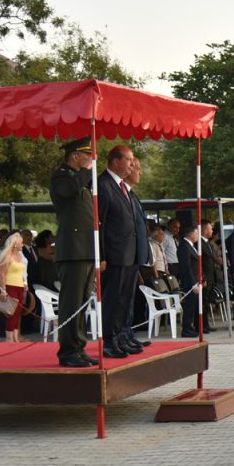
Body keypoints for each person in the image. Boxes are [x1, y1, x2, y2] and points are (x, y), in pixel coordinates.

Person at [50, 138, 98, 367]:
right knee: (71, 303)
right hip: (72, 249)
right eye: (87, 155)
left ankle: (78, 347)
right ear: (75, 156)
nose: (91, 158)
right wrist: (86, 172)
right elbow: (68, 192)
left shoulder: (81, 180)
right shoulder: (62, 175)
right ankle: (68, 351)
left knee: (81, 303)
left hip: (85, 248)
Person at [97, 145, 142, 358]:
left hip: (129, 254)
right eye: (129, 160)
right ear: (115, 161)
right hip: (114, 256)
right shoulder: (103, 185)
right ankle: (108, 340)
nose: (132, 164)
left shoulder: (123, 187)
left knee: (124, 299)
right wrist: (102, 255)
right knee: (113, 299)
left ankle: (120, 337)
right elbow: (99, 225)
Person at [124, 157, 153, 346]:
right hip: (123, 254)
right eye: (137, 168)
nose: (139, 172)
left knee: (129, 299)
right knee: (122, 299)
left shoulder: (132, 195)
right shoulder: (115, 191)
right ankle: (121, 336)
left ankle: (127, 335)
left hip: (133, 255)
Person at [0, 233, 28, 343]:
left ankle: (15, 336)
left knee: (18, 313)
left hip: (20, 287)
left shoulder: (20, 256)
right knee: (12, 313)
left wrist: (24, 283)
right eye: (21, 243)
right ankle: (9, 338)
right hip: (10, 287)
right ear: (15, 244)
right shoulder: (7, 256)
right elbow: (1, 274)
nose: (23, 245)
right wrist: (3, 289)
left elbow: (21, 272)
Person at [178, 225, 203, 338]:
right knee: (189, 306)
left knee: (193, 306)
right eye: (196, 233)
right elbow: (186, 267)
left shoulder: (191, 245)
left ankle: (190, 326)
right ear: (191, 233)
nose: (197, 236)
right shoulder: (184, 246)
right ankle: (186, 329)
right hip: (190, 282)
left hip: (196, 280)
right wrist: (193, 284)